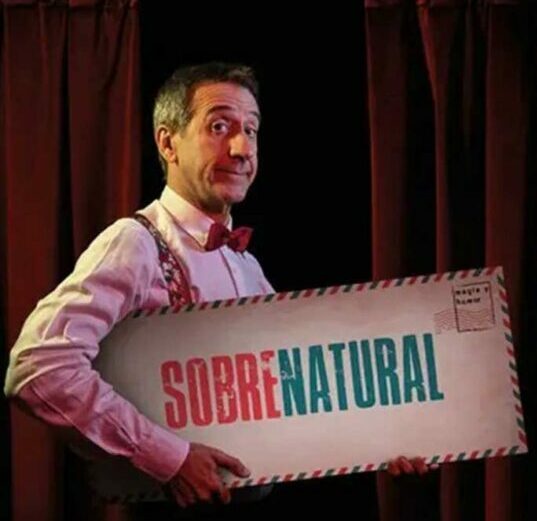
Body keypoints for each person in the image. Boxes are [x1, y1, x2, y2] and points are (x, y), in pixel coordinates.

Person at [4, 62, 428, 515]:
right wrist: (169, 457)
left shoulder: (247, 266)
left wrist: (380, 444)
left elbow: (293, 396)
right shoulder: (135, 243)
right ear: (168, 143)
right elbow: (37, 366)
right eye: (219, 127)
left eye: (251, 130)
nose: (242, 148)